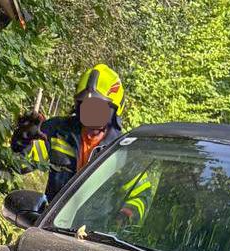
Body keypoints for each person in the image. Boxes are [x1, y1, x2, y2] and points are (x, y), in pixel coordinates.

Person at [11, 64, 153, 221]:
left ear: (114, 111)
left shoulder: (123, 149)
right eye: (86, 105)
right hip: (54, 226)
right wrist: (23, 139)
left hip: (95, 237)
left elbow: (141, 195)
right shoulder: (58, 132)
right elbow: (22, 165)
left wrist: (125, 216)